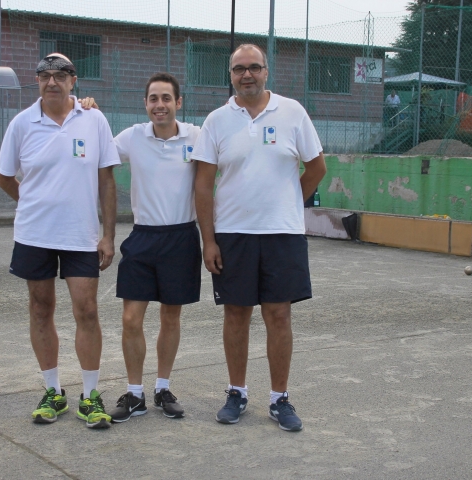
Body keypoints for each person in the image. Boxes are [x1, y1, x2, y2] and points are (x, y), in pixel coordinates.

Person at [192, 44, 327, 432]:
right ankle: (236, 392)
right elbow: (203, 186)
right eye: (239, 69)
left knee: (279, 314)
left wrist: (288, 202)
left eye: (254, 67)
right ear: (231, 75)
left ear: (266, 72)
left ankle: (279, 398)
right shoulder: (217, 120)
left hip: (282, 235)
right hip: (232, 235)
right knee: (236, 314)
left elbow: (316, 168)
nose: (246, 74)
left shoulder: (292, 112)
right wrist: (209, 240)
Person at [0, 53, 121, 429]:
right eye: (45, 75)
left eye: (60, 75)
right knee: (40, 308)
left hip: (80, 235)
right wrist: (32, 201)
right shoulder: (22, 124)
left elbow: (106, 181)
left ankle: (90, 395)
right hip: (35, 234)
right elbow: (5, 178)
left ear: (74, 79)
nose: (52, 82)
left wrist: (108, 236)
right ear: (37, 81)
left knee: (87, 311)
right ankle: (52, 391)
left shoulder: (94, 119)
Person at [106, 72, 202, 423]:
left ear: (178, 103)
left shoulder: (196, 136)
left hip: (182, 237)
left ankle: (162, 388)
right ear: (145, 104)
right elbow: (97, 151)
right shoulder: (132, 137)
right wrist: (85, 109)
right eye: (152, 99)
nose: (159, 105)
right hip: (143, 237)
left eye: (166, 98)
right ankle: (134, 394)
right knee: (131, 318)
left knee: (170, 316)